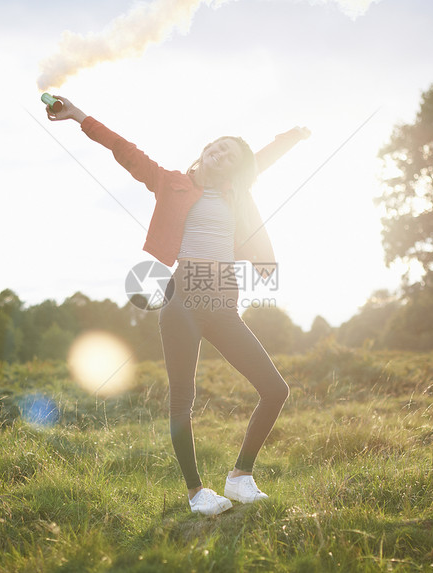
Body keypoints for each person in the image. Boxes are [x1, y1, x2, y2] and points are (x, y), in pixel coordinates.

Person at [46, 96, 310, 516]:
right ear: (207, 150)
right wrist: (79, 116)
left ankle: (240, 477)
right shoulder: (170, 182)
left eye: (231, 155)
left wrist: (292, 137)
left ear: (233, 168)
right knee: (181, 398)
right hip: (183, 296)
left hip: (223, 300)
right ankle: (196, 493)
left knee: (275, 389)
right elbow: (125, 150)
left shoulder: (236, 192)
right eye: (218, 146)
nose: (220, 154)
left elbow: (261, 161)